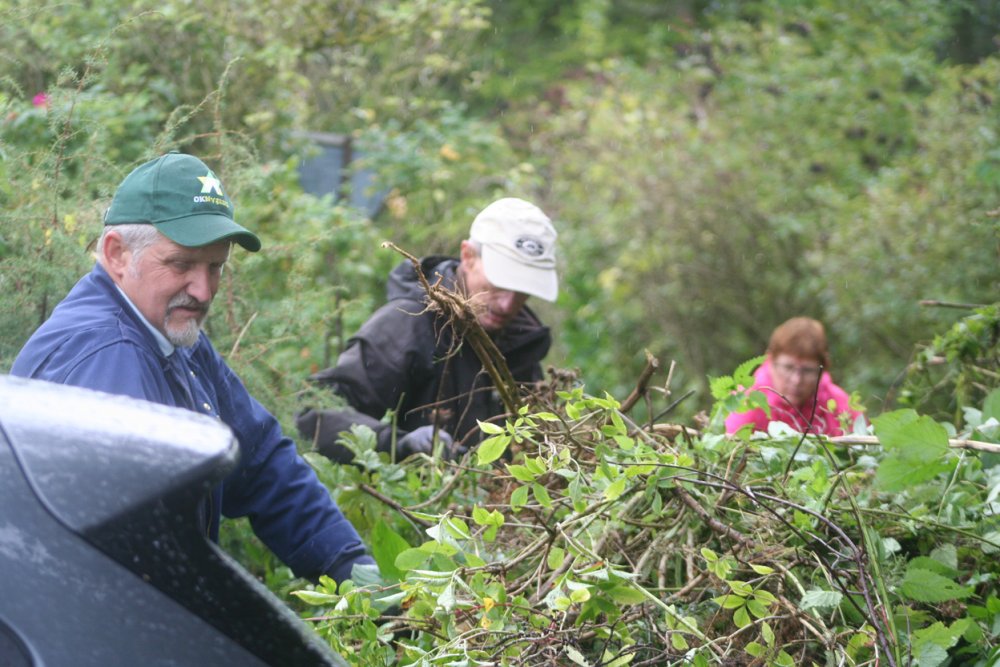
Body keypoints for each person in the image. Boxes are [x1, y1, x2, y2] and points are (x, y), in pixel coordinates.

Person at [11, 151, 376, 584]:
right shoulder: (106, 357)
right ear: (117, 254)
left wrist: (358, 576)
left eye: (215, 266)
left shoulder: (169, 335)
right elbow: (137, 557)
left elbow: (261, 463)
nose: (203, 291)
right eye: (181, 264)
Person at [297, 197, 558, 463]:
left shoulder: (521, 342)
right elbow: (314, 413)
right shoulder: (407, 325)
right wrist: (398, 444)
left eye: (523, 291)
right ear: (468, 257)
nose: (508, 305)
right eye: (499, 285)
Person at [725, 317, 864, 436]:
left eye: (807, 370)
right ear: (770, 360)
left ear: (823, 368)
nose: (796, 380)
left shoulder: (840, 407)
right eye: (788, 367)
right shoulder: (745, 404)